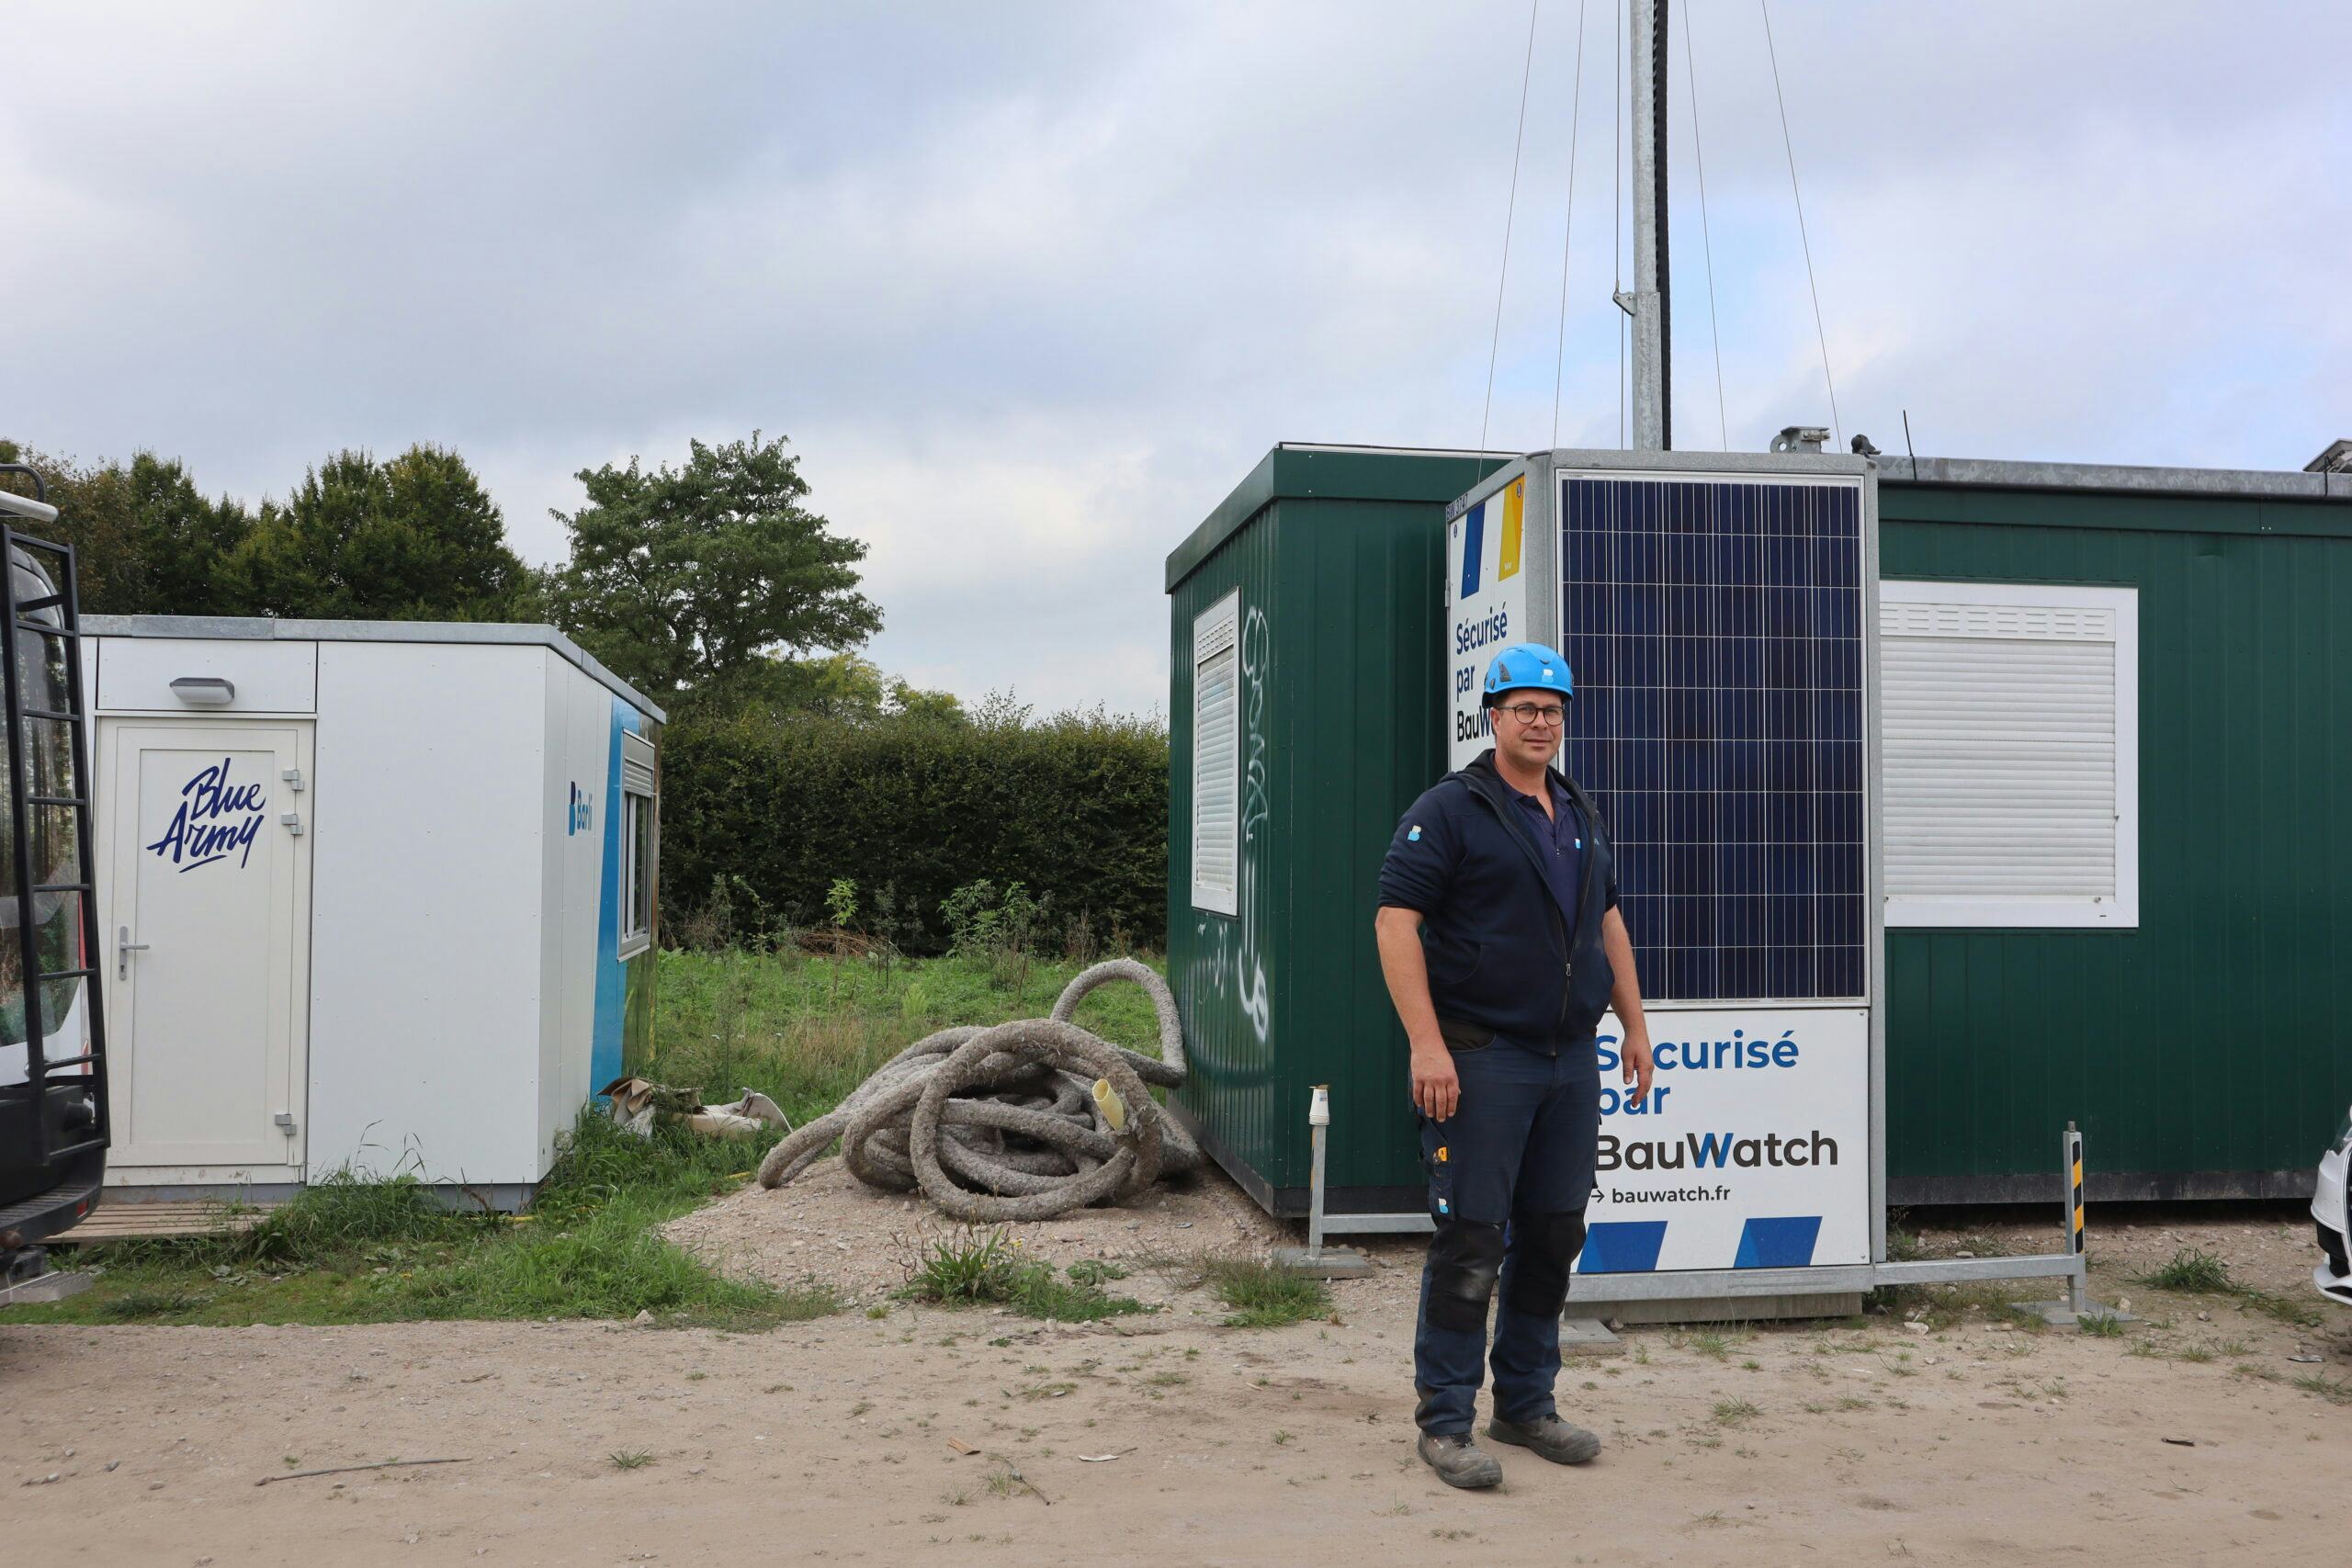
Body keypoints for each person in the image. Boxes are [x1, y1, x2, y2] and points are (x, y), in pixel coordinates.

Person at [1373, 640, 1655, 1490]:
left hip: (1570, 1060)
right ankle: (1447, 1422)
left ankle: (1525, 1404)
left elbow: (1606, 923)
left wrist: (1633, 1026)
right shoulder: (1450, 810)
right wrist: (1427, 1043)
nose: (1541, 721)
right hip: (1482, 1057)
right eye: (1525, 707)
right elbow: (1395, 923)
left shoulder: (1579, 812)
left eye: (1554, 709)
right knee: (1470, 1242)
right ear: (1492, 716)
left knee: (1555, 1233)